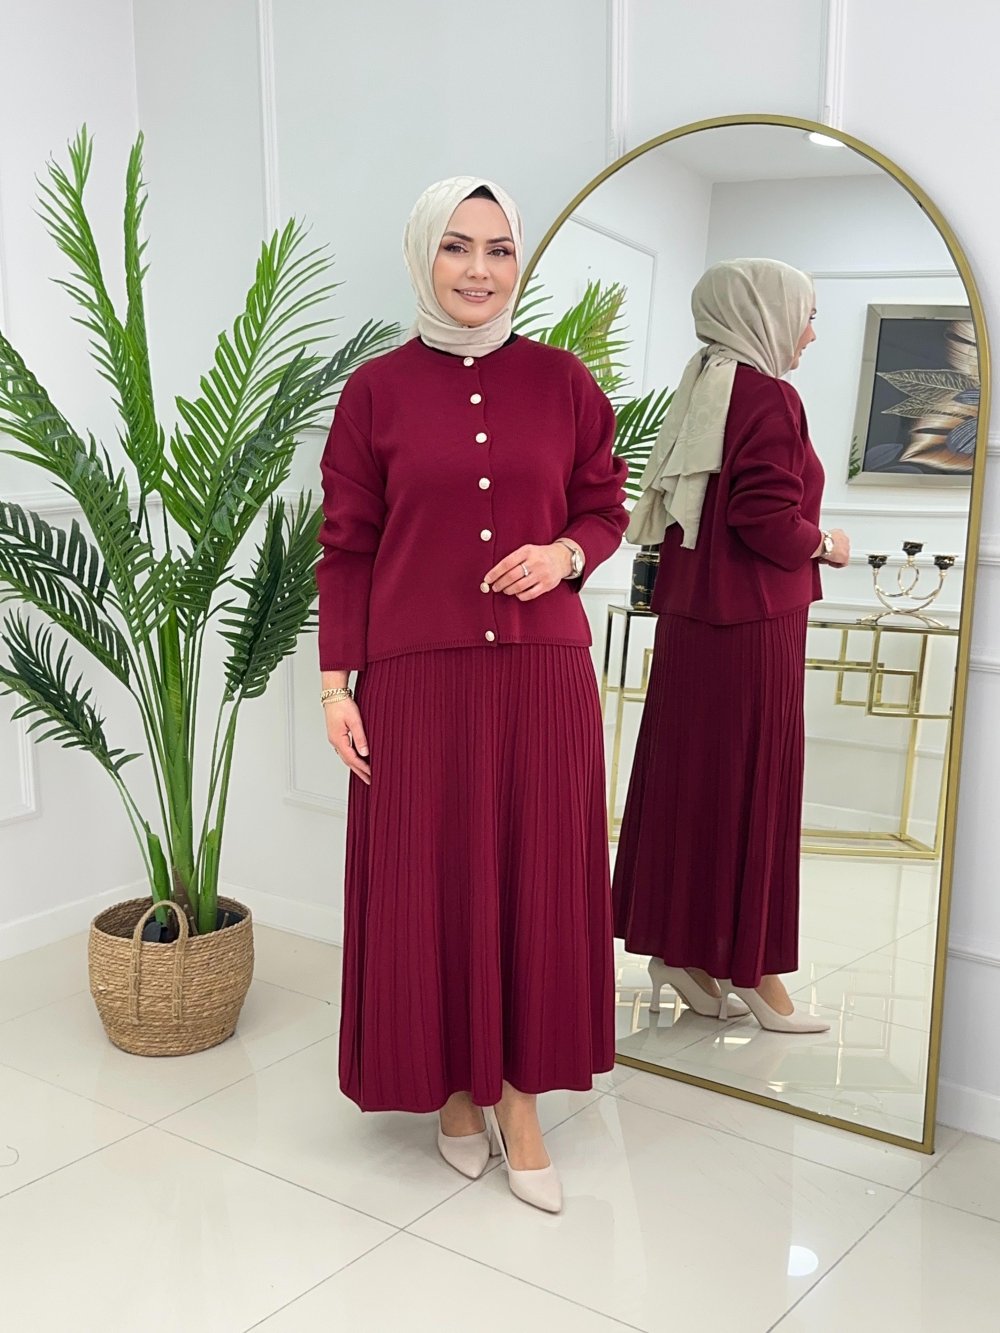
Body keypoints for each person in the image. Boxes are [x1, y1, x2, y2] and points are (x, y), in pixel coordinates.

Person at [316, 177, 628, 1213]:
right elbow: (346, 547)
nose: (479, 270)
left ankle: (522, 1099)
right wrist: (336, 684)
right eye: (457, 247)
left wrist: (566, 554)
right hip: (416, 681)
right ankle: (454, 1087)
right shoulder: (375, 392)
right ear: (423, 255)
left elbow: (604, 504)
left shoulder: (564, 381)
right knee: (433, 884)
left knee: (536, 881)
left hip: (542, 676)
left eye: (499, 249)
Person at [611, 258, 850, 1033]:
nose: (810, 334)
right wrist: (827, 545)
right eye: (806, 315)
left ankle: (681, 952)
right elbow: (766, 518)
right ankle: (754, 972)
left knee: (691, 785)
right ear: (764, 312)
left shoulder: (706, 383)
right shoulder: (769, 395)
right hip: (751, 628)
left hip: (691, 625)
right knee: (751, 790)